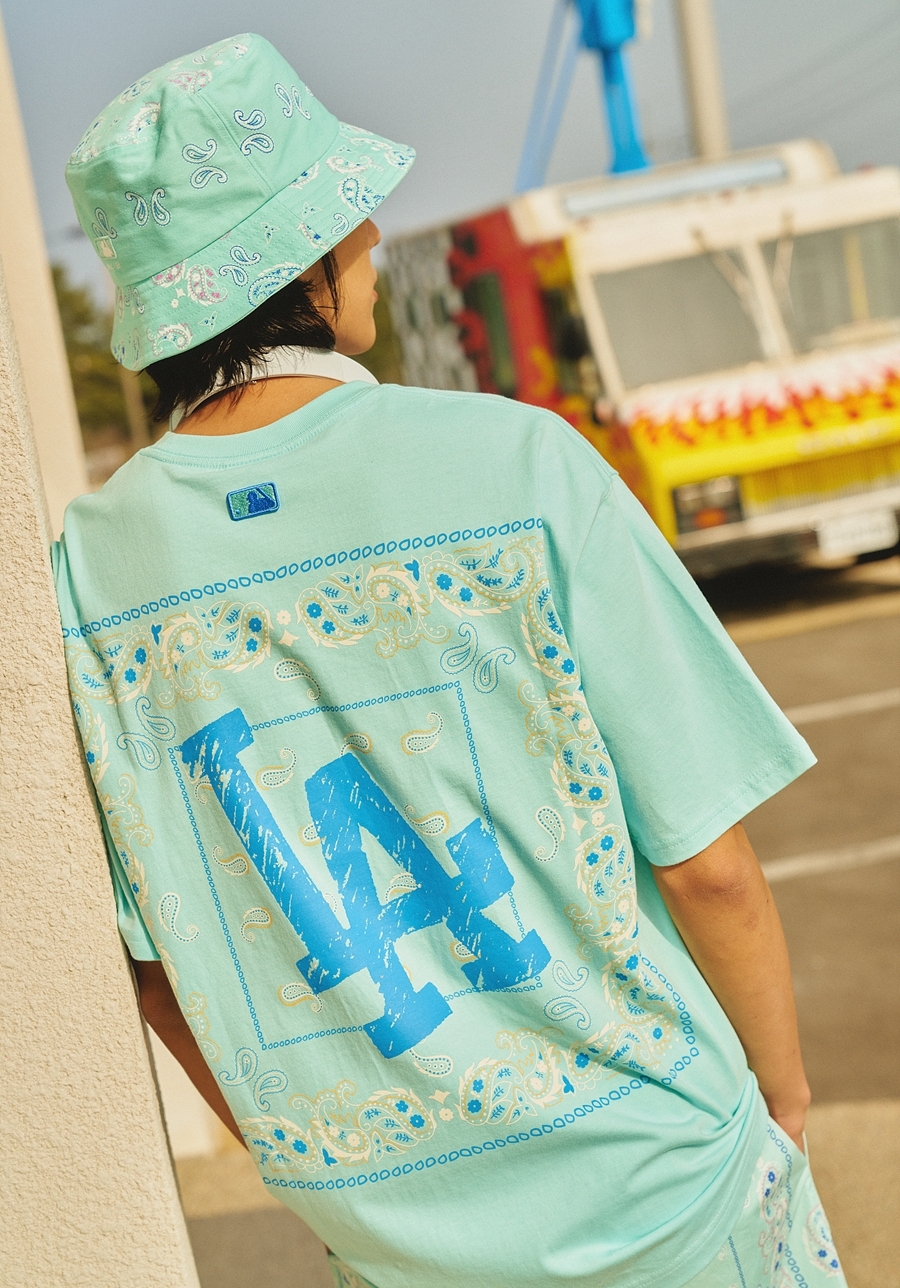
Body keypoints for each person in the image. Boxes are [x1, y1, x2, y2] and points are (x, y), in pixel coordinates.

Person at [57, 32, 845, 1288]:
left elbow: (155, 971)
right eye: (350, 216)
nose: (374, 237)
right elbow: (708, 867)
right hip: (662, 1191)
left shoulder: (87, 577)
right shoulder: (516, 463)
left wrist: (332, 1173)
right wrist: (782, 1094)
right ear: (305, 262)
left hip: (397, 1246)